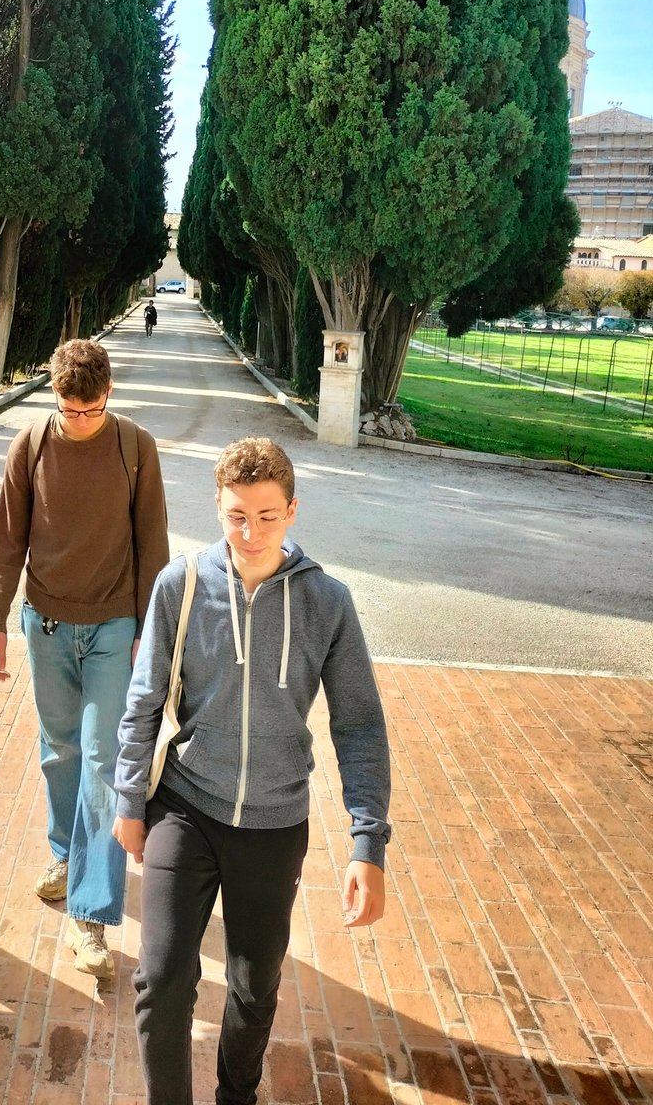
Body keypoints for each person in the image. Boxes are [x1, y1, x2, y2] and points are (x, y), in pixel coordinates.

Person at [113, 437, 390, 1104]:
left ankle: (236, 1095)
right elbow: (144, 698)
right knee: (161, 978)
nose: (251, 532)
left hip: (274, 822)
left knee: (253, 986)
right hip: (185, 806)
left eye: (267, 516)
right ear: (217, 506)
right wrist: (128, 798)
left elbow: (359, 723)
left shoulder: (328, 601)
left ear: (292, 510)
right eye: (237, 515)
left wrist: (367, 841)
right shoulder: (181, 584)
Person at [0, 338, 170, 978]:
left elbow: (152, 544)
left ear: (108, 394)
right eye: (70, 410)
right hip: (47, 624)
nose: (81, 421)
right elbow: (7, 538)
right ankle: (66, 852)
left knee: (103, 759)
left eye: (92, 410)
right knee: (59, 747)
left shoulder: (136, 447)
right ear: (54, 397)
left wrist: (148, 630)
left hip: (115, 627)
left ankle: (90, 918)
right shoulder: (31, 445)